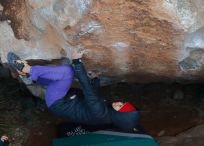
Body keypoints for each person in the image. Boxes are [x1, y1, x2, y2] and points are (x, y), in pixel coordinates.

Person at [7, 50, 139, 131]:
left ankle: (26, 69)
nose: (119, 102)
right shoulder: (107, 114)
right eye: (122, 103)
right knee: (58, 77)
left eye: (120, 106)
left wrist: (77, 62)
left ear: (119, 116)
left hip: (57, 102)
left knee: (67, 72)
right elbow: (95, 97)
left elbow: (88, 91)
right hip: (64, 100)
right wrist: (96, 81)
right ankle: (30, 76)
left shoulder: (101, 112)